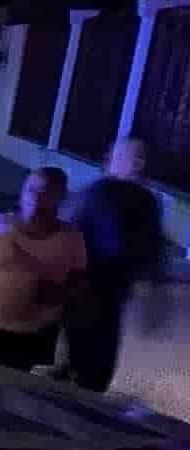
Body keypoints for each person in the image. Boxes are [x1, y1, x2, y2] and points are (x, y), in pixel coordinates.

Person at [57, 137, 168, 392]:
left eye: (141, 156)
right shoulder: (96, 194)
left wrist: (156, 290)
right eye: (132, 156)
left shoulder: (145, 201)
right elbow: (68, 231)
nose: (139, 162)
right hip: (86, 288)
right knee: (85, 356)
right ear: (111, 160)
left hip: (112, 293)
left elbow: (152, 246)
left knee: (97, 362)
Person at [0, 166, 87, 372]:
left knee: (12, 388)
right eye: (32, 189)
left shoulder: (71, 238)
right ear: (22, 192)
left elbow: (78, 283)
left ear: (60, 198)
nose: (37, 196)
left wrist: (59, 295)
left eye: (46, 192)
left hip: (33, 335)